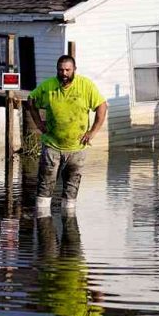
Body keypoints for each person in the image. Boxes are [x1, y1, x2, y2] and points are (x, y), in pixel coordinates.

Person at [27, 55, 107, 212]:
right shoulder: (48, 86)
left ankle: (69, 226)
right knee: (44, 188)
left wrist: (92, 132)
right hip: (52, 146)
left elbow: (102, 106)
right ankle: (44, 223)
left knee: (71, 191)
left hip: (77, 147)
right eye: (61, 70)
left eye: (67, 70)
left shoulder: (86, 86)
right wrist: (38, 124)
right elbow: (31, 100)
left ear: (74, 70)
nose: (64, 73)